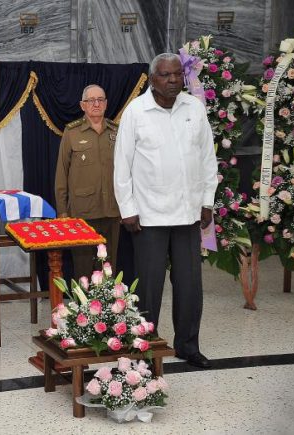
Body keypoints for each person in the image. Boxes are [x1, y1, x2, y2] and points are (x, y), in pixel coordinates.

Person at [113, 53, 218, 369]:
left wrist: (207, 201)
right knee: (149, 287)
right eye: (165, 75)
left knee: (190, 286)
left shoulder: (194, 108)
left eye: (177, 75)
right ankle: (145, 346)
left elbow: (207, 159)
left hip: (188, 215)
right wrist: (127, 209)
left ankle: (187, 345)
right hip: (148, 217)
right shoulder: (136, 112)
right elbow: (122, 166)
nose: (173, 80)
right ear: (151, 79)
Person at [54, 84, 121, 279]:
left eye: (100, 100)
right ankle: (83, 308)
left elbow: (127, 171)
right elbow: (61, 174)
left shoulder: (117, 132)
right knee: (82, 268)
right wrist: (62, 211)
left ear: (106, 104)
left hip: (112, 210)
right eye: (91, 100)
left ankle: (109, 308)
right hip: (82, 213)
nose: (96, 104)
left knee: (108, 266)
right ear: (83, 105)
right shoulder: (72, 132)